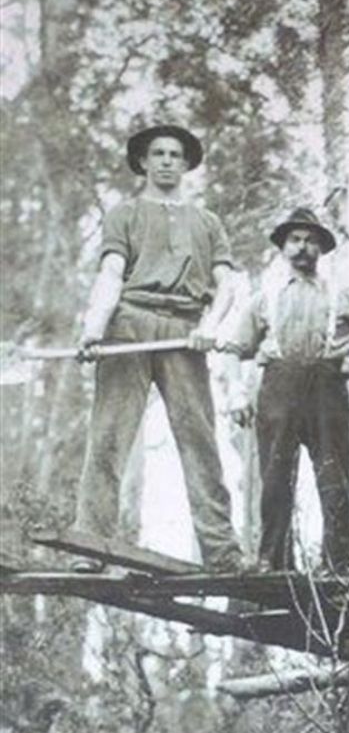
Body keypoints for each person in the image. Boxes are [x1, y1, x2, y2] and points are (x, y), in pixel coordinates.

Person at [72, 123, 245, 571]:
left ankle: (223, 553)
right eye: (158, 154)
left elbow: (227, 285)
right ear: (143, 162)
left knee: (200, 440)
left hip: (185, 331)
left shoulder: (207, 222)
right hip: (128, 324)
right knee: (109, 434)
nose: (167, 160)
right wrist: (93, 327)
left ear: (186, 164)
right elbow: (111, 273)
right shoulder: (124, 214)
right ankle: (90, 545)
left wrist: (210, 324)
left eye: (175, 154)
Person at [220, 206, 349, 573]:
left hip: (328, 392)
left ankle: (340, 561)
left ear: (321, 249)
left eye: (311, 241)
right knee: (275, 479)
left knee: (334, 478)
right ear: (283, 247)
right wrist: (234, 394)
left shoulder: (342, 296)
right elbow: (233, 349)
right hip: (278, 391)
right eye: (295, 240)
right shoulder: (265, 298)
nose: (302, 247)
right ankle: (274, 561)